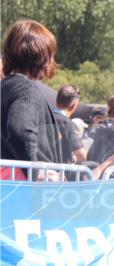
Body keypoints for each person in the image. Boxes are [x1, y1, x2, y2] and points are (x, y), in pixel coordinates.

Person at [0, 20, 64, 170]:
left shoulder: (5, 88)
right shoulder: (26, 90)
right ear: (42, 57)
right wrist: (37, 172)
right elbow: (20, 131)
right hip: (28, 188)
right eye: (50, 55)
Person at [53, 85, 87, 163]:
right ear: (74, 104)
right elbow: (82, 155)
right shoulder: (67, 124)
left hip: (37, 171)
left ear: (56, 101)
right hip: (60, 173)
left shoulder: (43, 117)